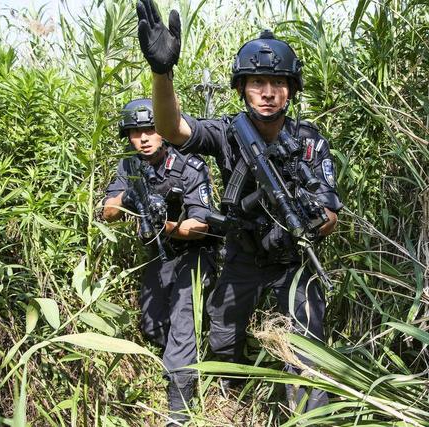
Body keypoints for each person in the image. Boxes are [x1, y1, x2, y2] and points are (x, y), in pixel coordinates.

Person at [136, 0, 343, 413]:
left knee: (307, 350)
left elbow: (330, 213)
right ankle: (231, 402)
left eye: (279, 83)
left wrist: (312, 219)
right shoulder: (228, 133)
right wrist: (162, 73)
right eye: (256, 83)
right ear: (241, 88)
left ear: (292, 90)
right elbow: (170, 128)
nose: (268, 93)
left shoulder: (308, 141)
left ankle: (306, 415)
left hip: (291, 259)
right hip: (241, 255)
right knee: (223, 339)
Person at [102, 98, 216, 424]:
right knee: (152, 326)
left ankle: (178, 412)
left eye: (150, 129)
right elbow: (107, 211)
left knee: (182, 327)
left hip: (194, 253)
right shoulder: (129, 167)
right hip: (158, 254)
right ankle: (179, 357)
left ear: (163, 131)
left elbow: (201, 226)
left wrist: (164, 224)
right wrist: (129, 198)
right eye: (136, 132)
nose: (144, 138)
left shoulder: (189, 165)